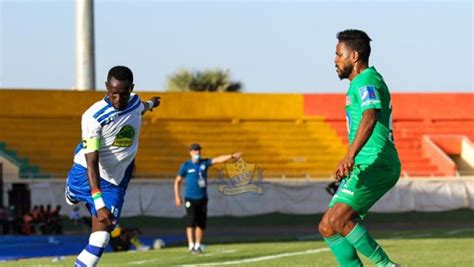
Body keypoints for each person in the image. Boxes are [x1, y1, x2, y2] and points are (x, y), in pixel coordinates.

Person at [318, 29, 401, 267]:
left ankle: (387, 266)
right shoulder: (358, 84)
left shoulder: (368, 80)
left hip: (376, 162)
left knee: (340, 219)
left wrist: (349, 156)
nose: (335, 60)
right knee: (327, 226)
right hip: (364, 163)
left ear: (353, 56)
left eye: (338, 54)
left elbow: (370, 115)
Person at [64, 65, 160, 267]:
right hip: (87, 172)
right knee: (75, 198)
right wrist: (99, 203)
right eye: (113, 93)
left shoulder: (133, 101)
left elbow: (140, 107)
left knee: (101, 239)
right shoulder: (92, 116)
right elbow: (92, 162)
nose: (118, 99)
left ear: (131, 88)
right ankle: (73, 191)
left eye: (123, 94)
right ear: (107, 87)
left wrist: (152, 103)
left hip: (115, 181)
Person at [174, 144, 242, 254]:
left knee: (201, 223)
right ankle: (191, 245)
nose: (197, 153)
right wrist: (177, 196)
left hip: (202, 197)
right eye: (195, 150)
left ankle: (198, 245)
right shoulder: (186, 166)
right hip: (190, 198)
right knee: (191, 222)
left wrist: (231, 156)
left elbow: (218, 160)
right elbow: (177, 181)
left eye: (199, 150)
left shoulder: (204, 163)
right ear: (190, 152)